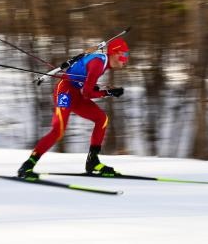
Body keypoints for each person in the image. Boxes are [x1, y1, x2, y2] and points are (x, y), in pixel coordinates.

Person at [17, 38, 129, 179]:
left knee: (102, 119)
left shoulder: (103, 62)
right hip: (65, 91)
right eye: (123, 55)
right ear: (114, 53)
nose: (125, 60)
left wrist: (94, 86)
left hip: (76, 93)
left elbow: (86, 82)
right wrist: (108, 93)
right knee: (59, 130)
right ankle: (27, 166)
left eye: (127, 56)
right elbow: (87, 94)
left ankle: (93, 161)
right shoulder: (98, 63)